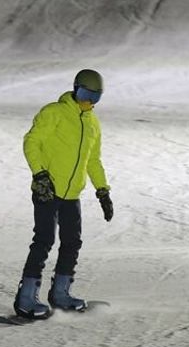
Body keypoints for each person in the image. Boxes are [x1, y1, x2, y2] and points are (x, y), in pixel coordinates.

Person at [14, 69, 114, 319]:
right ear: (75, 89)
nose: (87, 102)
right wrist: (39, 174)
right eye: (84, 94)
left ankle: (60, 293)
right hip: (47, 190)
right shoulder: (54, 112)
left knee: (72, 243)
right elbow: (31, 142)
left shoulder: (92, 123)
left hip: (72, 194)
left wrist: (103, 190)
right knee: (44, 240)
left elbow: (93, 160)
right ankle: (26, 298)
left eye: (94, 97)